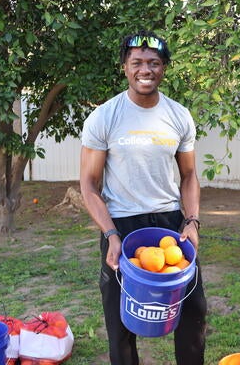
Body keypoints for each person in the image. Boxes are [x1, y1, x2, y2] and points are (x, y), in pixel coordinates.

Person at [79, 30, 207, 365]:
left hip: (171, 225)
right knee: (121, 323)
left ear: (164, 68)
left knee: (193, 313)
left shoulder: (179, 116)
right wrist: (110, 235)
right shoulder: (104, 117)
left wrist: (192, 221)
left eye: (153, 62)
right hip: (122, 225)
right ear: (125, 67)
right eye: (137, 62)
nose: (145, 69)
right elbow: (89, 185)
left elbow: (190, 175)